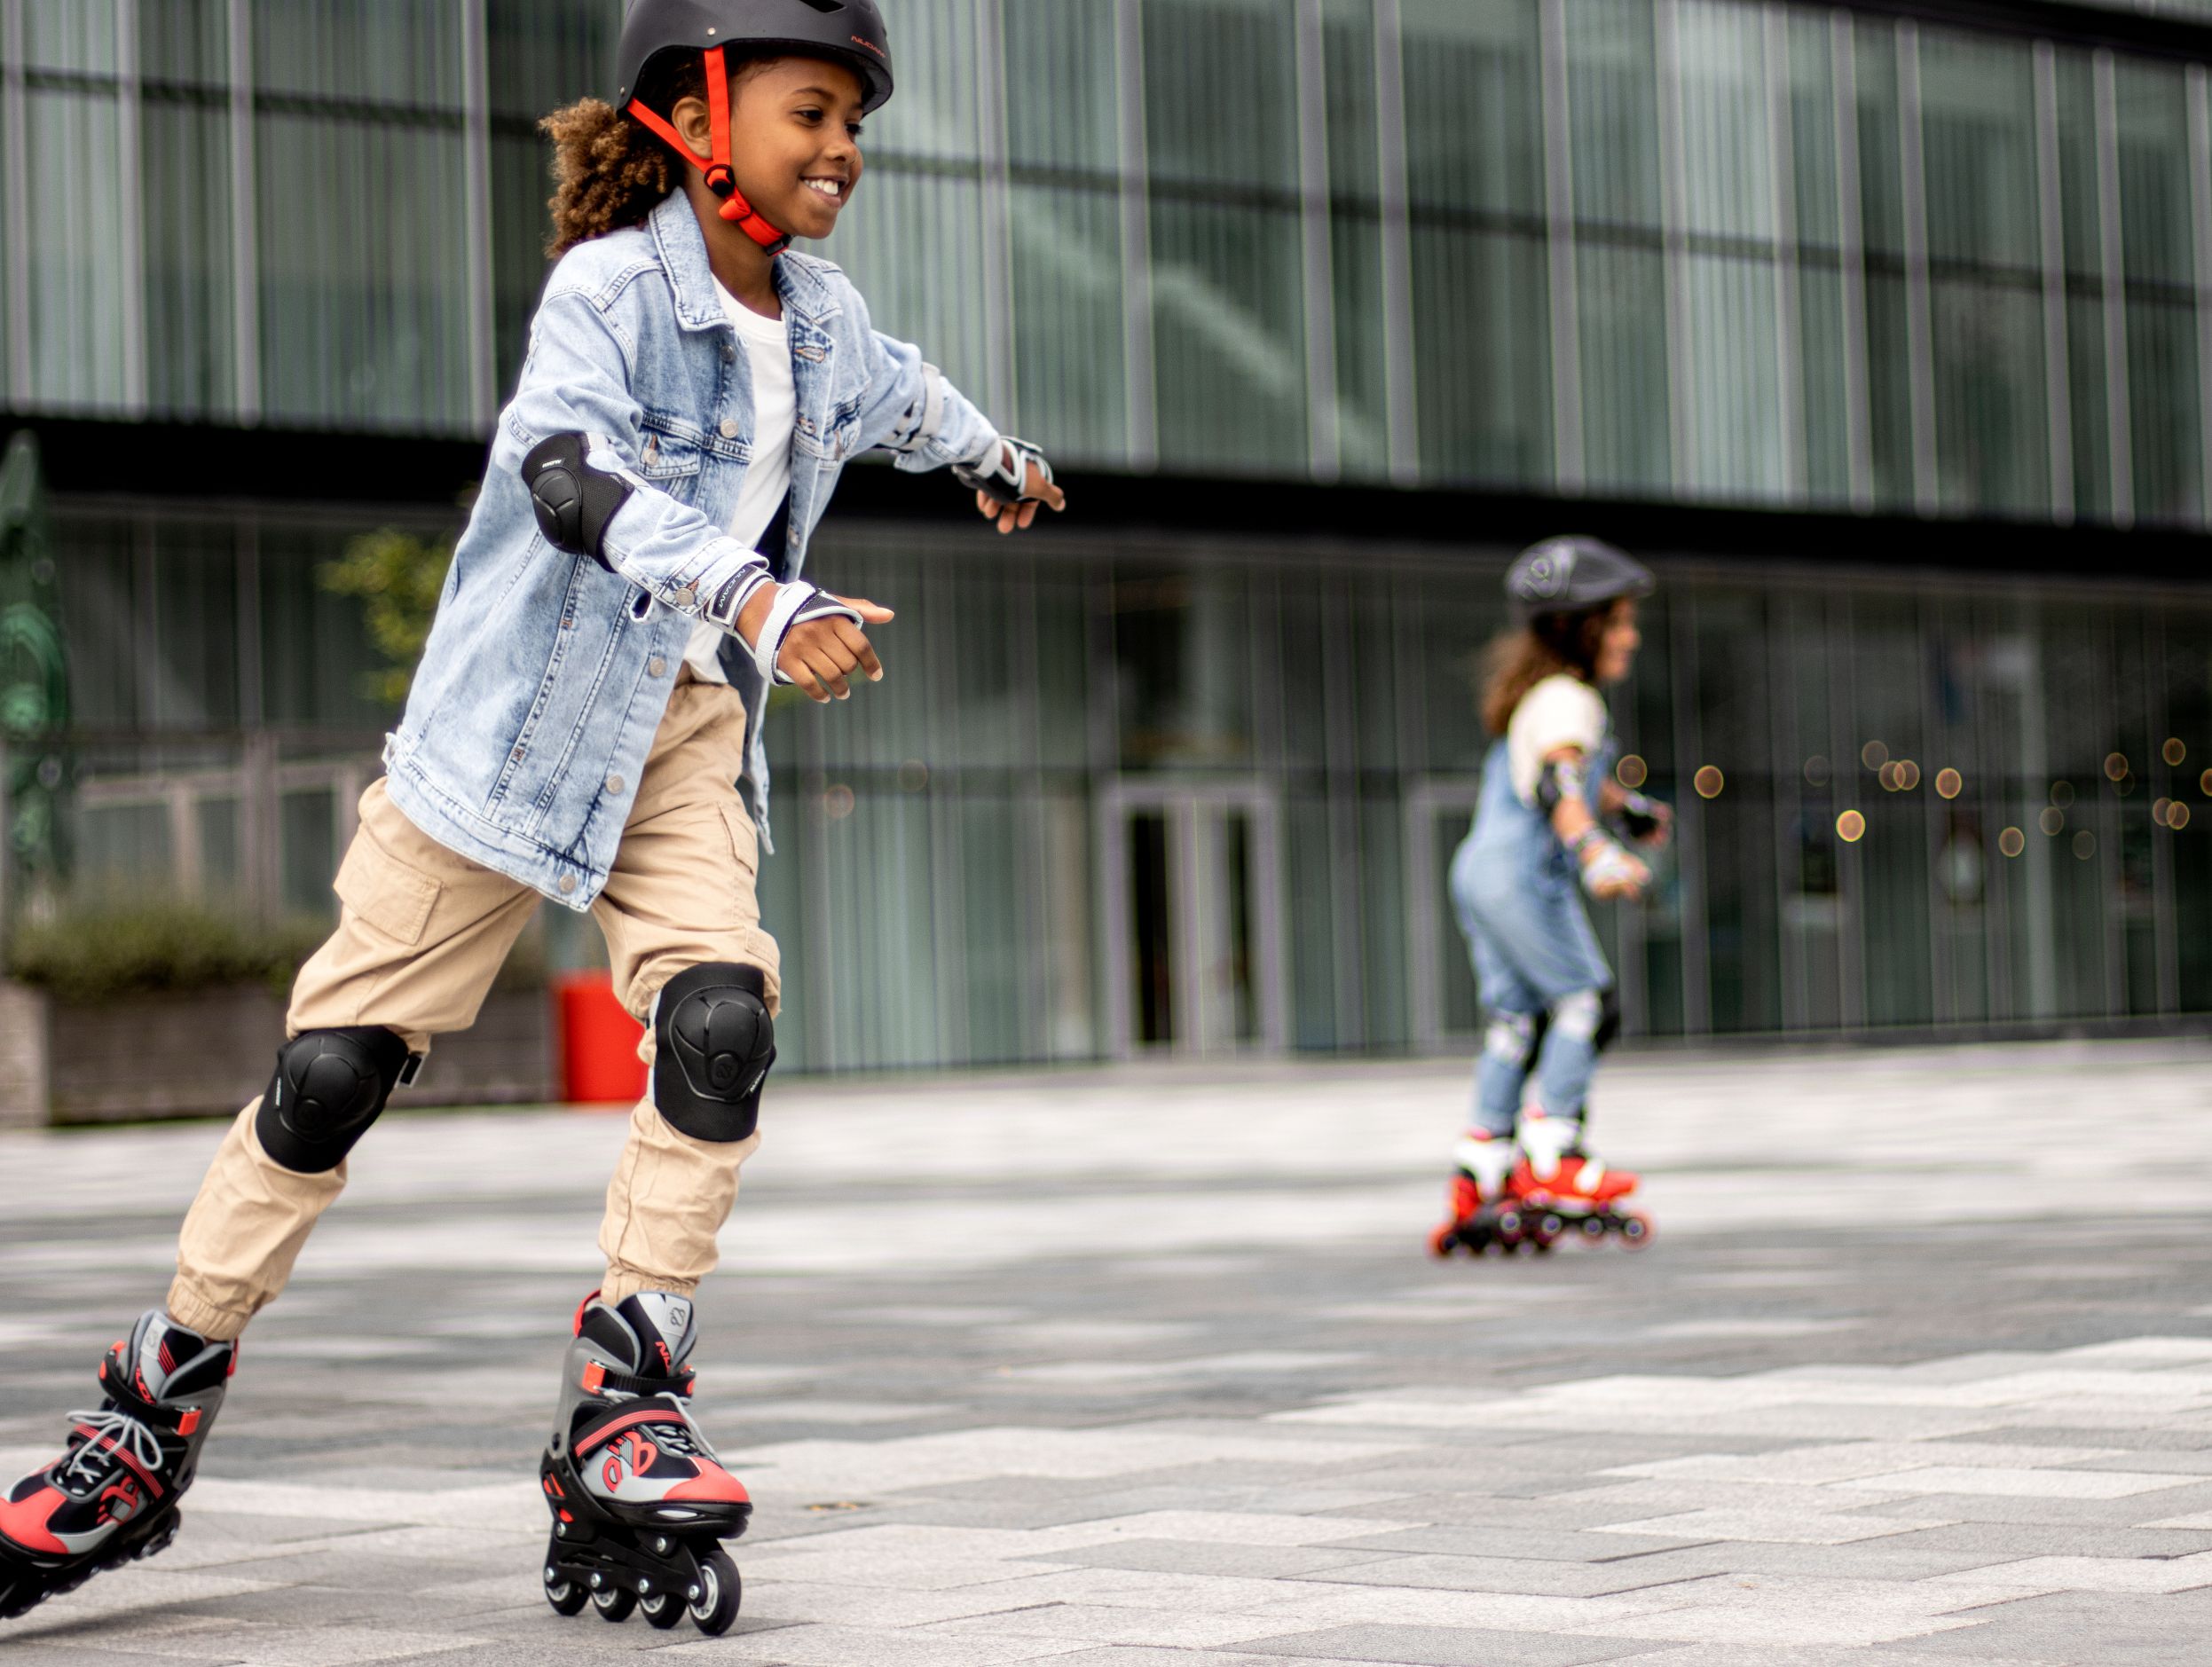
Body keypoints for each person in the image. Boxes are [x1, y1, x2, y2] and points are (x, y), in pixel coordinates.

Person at [0, 0, 1063, 1636]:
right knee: (331, 1073)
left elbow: (903, 398)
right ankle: (147, 1410)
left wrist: (999, 458)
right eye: (811, 112)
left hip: (679, 734)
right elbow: (571, 480)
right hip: (504, 737)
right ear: (700, 118)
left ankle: (625, 1389)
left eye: (857, 119)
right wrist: (765, 599)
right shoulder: (610, 291)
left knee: (719, 1015)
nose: (844, 147)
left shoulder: (825, 320)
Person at [1430, 537, 1667, 1258]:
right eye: (1620, 622)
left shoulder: (1536, 699)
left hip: (1478, 869)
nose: (1629, 637)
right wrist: (1596, 850)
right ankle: (1551, 1146)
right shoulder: (1570, 699)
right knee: (1585, 1001)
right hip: (1523, 874)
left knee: (1515, 1019)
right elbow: (1559, 783)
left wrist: (1628, 810)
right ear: (1582, 627)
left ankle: (1482, 1159)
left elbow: (1578, 777)